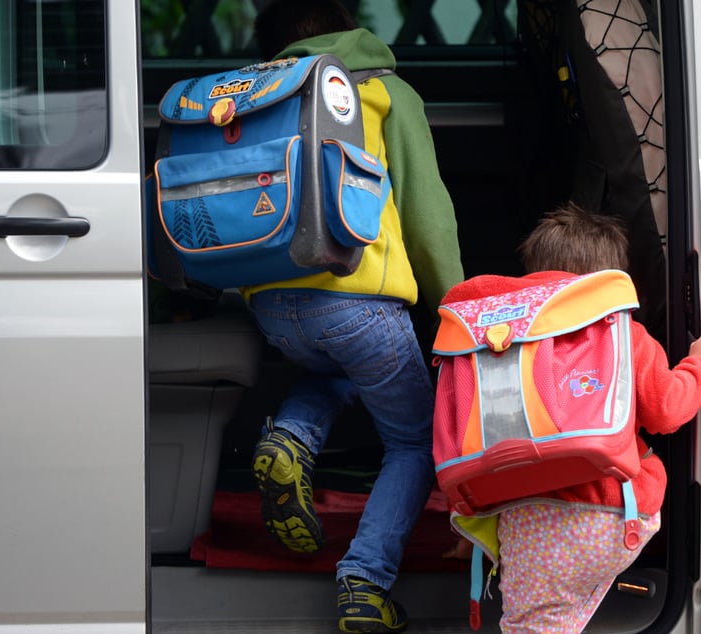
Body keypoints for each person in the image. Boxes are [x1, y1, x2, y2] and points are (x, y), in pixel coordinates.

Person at [245, 1, 465, 632]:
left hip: (273, 308)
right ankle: (365, 580)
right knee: (416, 440)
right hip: (358, 302)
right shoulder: (383, 93)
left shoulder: (257, 93)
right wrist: (460, 313)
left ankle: (290, 436)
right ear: (352, 24)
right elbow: (427, 218)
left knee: (338, 372)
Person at [444, 202, 701, 633]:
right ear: (609, 280)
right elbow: (666, 410)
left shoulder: (497, 345)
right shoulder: (623, 334)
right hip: (609, 516)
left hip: (521, 519)